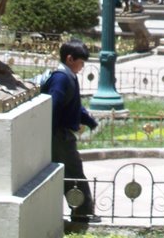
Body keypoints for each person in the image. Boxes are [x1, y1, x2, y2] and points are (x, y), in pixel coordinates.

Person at [42, 40, 100, 225]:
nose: (82, 67)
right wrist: (52, 134)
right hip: (59, 137)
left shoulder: (70, 76)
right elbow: (53, 105)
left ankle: (82, 211)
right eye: (80, 62)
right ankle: (81, 213)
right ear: (69, 59)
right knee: (73, 174)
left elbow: (74, 106)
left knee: (73, 173)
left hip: (62, 135)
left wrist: (89, 121)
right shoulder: (61, 78)